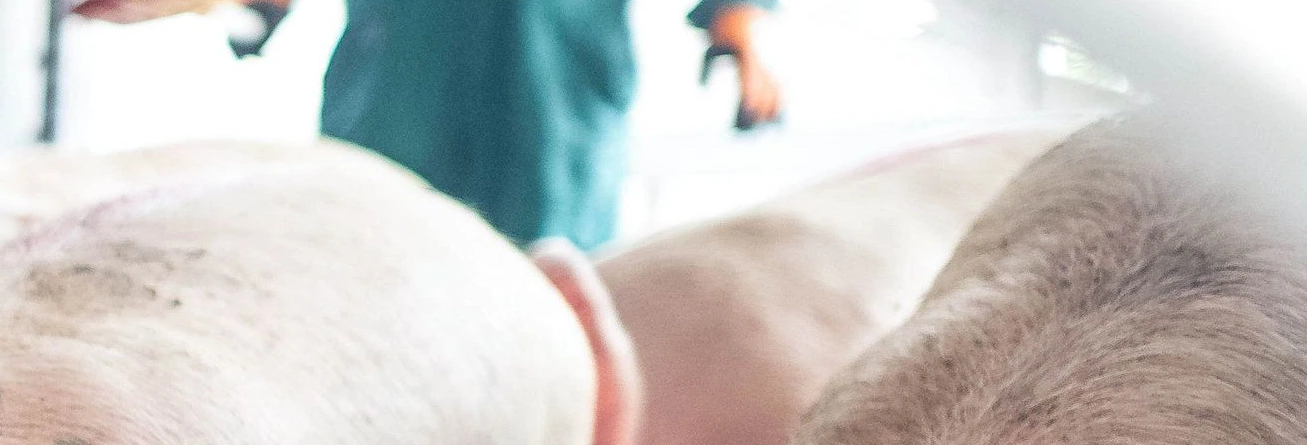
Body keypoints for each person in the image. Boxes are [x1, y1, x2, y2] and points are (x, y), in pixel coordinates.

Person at [73, 0, 784, 249]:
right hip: (397, 102)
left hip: (550, 111)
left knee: (546, 300)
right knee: (374, 290)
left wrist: (741, 22)